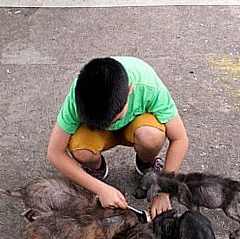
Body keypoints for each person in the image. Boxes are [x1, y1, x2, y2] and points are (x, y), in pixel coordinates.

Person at [47, 56, 189, 218]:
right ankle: (96, 169)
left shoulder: (148, 85)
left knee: (152, 136)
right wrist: (99, 188)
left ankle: (145, 163)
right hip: (99, 137)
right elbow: (54, 152)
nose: (110, 126)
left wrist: (164, 190)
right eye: (103, 124)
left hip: (137, 127)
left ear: (130, 91)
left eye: (114, 119)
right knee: (81, 149)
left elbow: (180, 139)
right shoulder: (77, 96)